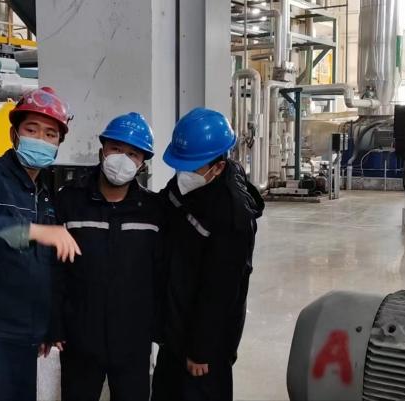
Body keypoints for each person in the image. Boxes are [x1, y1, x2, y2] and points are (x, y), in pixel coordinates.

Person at [0, 87, 80, 401]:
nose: (41, 139)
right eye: (32, 130)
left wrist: (49, 324)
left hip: (24, 337)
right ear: (13, 134)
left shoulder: (45, 192)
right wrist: (32, 231)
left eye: (50, 134)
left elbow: (45, 266)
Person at [151, 107, 265, 401]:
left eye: (193, 168)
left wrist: (201, 350)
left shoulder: (233, 217)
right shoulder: (188, 184)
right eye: (182, 166)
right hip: (175, 330)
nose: (184, 175)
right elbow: (165, 206)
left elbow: (221, 293)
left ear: (219, 166)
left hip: (205, 346)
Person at [50, 112, 163, 401]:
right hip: (79, 337)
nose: (123, 158)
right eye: (116, 149)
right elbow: (54, 269)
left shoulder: (153, 210)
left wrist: (158, 327)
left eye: (133, 154)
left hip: (132, 339)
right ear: (102, 151)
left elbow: (161, 273)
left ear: (142, 163)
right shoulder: (69, 201)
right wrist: (55, 322)